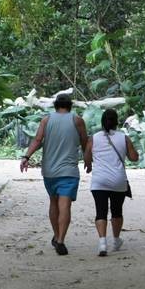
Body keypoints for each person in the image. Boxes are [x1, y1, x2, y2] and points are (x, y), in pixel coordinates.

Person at [20, 93, 91, 256]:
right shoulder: (77, 120)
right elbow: (85, 142)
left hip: (49, 170)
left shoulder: (46, 120)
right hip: (69, 171)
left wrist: (26, 157)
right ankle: (60, 240)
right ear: (70, 106)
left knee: (53, 202)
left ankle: (56, 235)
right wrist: (88, 160)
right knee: (64, 205)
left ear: (56, 105)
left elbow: (37, 140)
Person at [84, 109, 139, 256]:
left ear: (102, 122)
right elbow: (134, 158)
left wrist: (89, 165)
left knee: (100, 211)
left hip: (99, 181)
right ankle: (115, 240)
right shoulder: (124, 138)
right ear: (116, 122)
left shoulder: (93, 138)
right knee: (116, 211)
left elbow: (87, 156)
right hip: (118, 181)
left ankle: (102, 243)